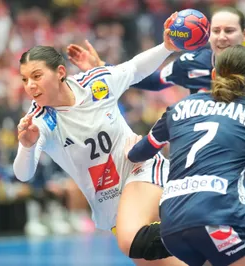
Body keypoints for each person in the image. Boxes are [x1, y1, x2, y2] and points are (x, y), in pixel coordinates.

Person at [67, 7, 245, 266]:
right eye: (216, 30)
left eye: (229, 30)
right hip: (213, 174)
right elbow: (150, 80)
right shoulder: (192, 63)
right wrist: (104, 69)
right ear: (207, 35)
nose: (221, 37)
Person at [13, 14, 188, 266]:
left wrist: (166, 48)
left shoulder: (95, 83)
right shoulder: (40, 120)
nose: (30, 85)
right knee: (150, 253)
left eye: (37, 76)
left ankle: (201, 226)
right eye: (25, 79)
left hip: (139, 167)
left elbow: (134, 69)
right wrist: (27, 146)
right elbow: (23, 174)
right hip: (109, 201)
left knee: (133, 240)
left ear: (60, 72)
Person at [125, 45, 245, 266]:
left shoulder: (179, 107)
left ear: (212, 75)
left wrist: (130, 151)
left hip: (171, 225)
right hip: (220, 218)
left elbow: (139, 152)